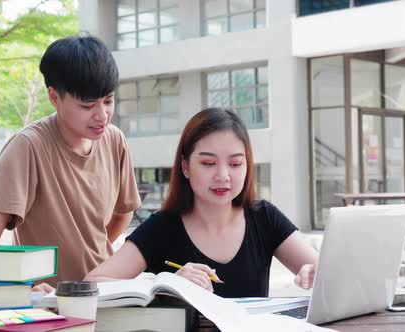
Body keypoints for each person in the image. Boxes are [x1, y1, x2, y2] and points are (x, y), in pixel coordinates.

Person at [0, 34, 141, 292]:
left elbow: (124, 211)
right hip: (46, 303)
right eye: (87, 105)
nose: (102, 115)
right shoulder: (28, 146)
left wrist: (93, 260)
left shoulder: (114, 140)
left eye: (108, 101)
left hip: (104, 294)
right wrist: (21, 286)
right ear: (54, 97)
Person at [85, 108, 319, 298]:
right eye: (208, 163)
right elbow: (92, 284)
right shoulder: (162, 228)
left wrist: (315, 273)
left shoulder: (263, 217)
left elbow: (328, 273)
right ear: (186, 167)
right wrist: (164, 283)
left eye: (236, 164)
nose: (223, 175)